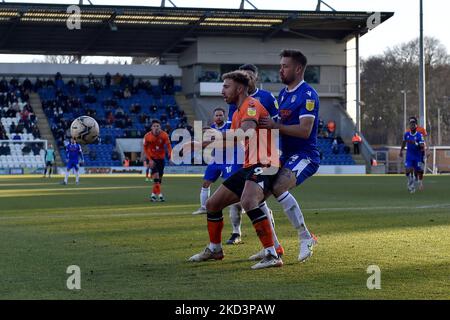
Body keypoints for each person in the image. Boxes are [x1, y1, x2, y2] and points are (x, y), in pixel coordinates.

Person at [189, 70, 283, 270]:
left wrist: (214, 138)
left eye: (226, 86)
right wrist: (203, 144)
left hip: (265, 163)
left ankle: (272, 254)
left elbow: (245, 135)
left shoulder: (250, 106)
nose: (222, 91)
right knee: (213, 204)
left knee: (249, 201)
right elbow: (232, 141)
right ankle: (215, 249)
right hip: (250, 165)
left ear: (239, 88)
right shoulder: (238, 111)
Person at [258, 49, 319, 262]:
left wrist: (276, 126)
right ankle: (272, 246)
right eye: (281, 65)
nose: (280, 69)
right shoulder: (283, 93)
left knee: (278, 187)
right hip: (284, 154)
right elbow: (276, 125)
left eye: (285, 66)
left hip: (305, 155)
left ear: (298, 69)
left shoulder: (308, 94)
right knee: (255, 195)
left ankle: (306, 237)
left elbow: (304, 131)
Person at [191, 107, 245, 245]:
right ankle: (203, 207)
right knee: (205, 182)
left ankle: (236, 230)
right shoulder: (211, 129)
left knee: (232, 190)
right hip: (216, 159)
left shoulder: (229, 126)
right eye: (217, 115)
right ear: (214, 117)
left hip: (230, 160)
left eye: (221, 115)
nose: (219, 117)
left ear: (224, 116)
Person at [143, 119, 172, 202]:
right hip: (152, 159)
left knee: (159, 180)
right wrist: (149, 159)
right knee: (155, 176)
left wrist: (170, 156)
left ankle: (153, 195)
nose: (156, 128)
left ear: (160, 127)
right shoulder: (147, 136)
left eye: (158, 126)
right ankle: (160, 195)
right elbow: (145, 148)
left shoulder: (164, 135)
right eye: (154, 126)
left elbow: (169, 146)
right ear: (151, 127)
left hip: (161, 159)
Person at [399, 118, 425, 193]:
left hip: (417, 156)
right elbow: (404, 143)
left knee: (418, 171)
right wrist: (401, 151)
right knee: (408, 170)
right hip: (409, 156)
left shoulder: (419, 135)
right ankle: (411, 182)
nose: (412, 125)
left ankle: (414, 181)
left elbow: (422, 145)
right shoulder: (406, 134)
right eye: (411, 124)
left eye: (413, 124)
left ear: (416, 126)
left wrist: (415, 143)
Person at [408, 116, 428, 189]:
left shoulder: (422, 130)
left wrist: (427, 149)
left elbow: (425, 140)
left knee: (420, 167)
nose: (412, 124)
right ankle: (415, 178)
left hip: (421, 151)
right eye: (410, 122)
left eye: (413, 122)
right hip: (412, 152)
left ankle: (420, 183)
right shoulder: (408, 130)